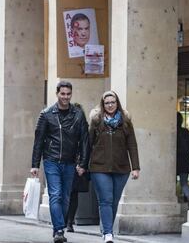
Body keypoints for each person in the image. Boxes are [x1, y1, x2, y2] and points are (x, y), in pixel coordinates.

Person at [30, 81, 89, 243]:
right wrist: (35, 164)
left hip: (70, 162)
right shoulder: (47, 114)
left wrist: (83, 163)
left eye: (68, 94)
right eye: (62, 94)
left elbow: (84, 140)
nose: (65, 97)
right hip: (51, 160)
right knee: (55, 195)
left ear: (71, 94)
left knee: (66, 197)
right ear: (57, 94)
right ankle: (59, 230)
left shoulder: (78, 114)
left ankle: (59, 226)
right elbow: (39, 141)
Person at [88, 91, 140, 243]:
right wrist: (82, 164)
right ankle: (108, 234)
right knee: (106, 200)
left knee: (114, 201)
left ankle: (105, 227)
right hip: (99, 168)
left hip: (121, 168)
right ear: (102, 105)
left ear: (117, 103)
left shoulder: (125, 122)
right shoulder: (96, 121)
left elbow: (132, 145)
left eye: (113, 102)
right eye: (107, 103)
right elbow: (88, 144)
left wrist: (135, 167)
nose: (110, 105)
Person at [176, 112, 189, 208]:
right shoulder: (185, 132)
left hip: (174, 160)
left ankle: (175, 199)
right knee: (184, 182)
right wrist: (186, 156)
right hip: (184, 160)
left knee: (171, 182)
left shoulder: (172, 131)